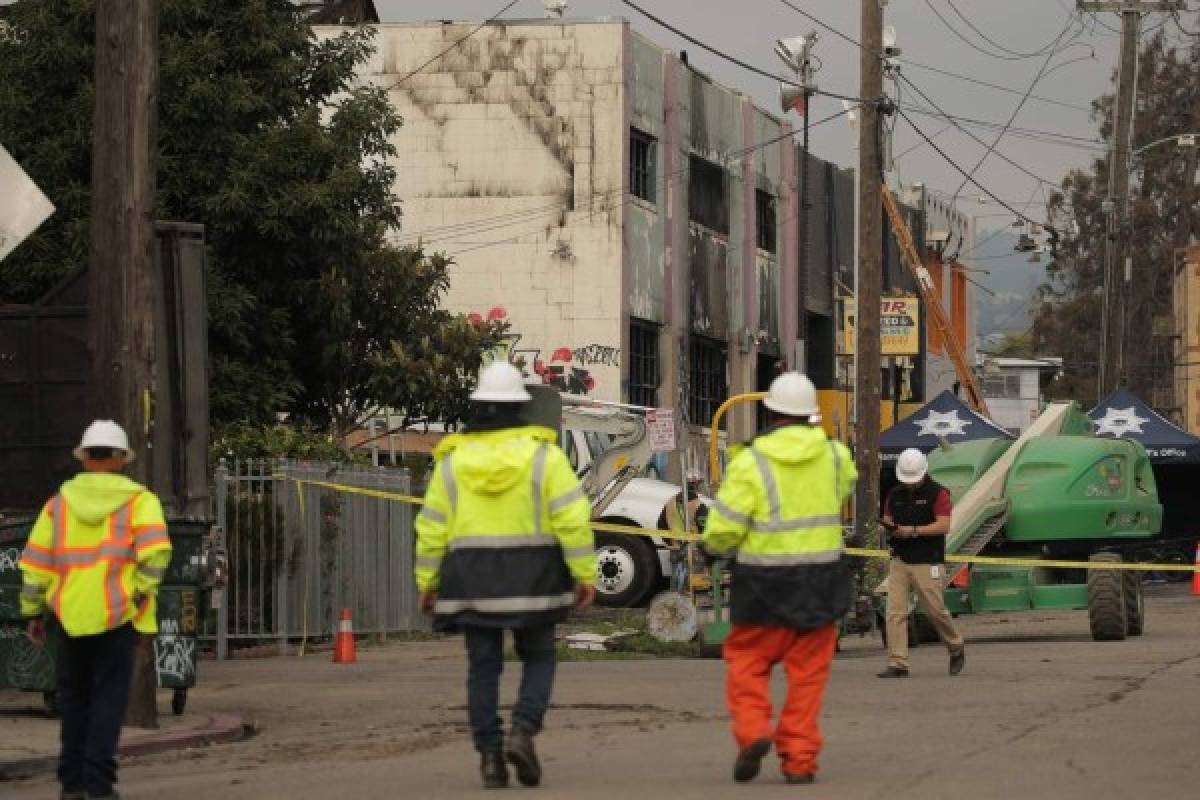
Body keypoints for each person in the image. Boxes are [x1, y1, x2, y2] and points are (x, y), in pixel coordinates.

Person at [414, 362, 597, 790]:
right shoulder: (544, 456)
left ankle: (491, 758)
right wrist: (584, 573)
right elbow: (571, 518)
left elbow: (432, 526)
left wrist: (428, 581)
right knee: (538, 656)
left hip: (469, 582)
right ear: (520, 407)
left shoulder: (452, 462)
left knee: (482, 668)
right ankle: (524, 730)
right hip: (534, 580)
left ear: (478, 406)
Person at [702, 372, 856, 785]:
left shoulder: (750, 461)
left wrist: (712, 547)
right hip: (822, 582)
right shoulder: (836, 455)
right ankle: (799, 760)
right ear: (811, 415)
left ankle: (754, 732)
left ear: (768, 411)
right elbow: (842, 488)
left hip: (762, 585)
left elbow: (725, 527)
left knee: (748, 664)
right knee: (807, 676)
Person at [19, 420, 172, 800]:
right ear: (122, 458)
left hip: (68, 618)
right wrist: (139, 595)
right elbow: (156, 556)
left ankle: (71, 784)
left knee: (74, 703)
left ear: (85, 457)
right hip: (118, 616)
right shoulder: (141, 502)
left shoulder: (57, 506)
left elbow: (35, 564)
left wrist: (33, 613)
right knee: (107, 702)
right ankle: (100, 785)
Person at [878, 447, 965, 679]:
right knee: (894, 612)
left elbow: (944, 525)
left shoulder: (938, 493)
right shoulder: (894, 494)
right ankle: (898, 662)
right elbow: (887, 519)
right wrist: (889, 528)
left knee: (936, 611)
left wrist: (913, 531)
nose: (909, 484)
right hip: (900, 559)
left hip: (928, 560)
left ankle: (956, 646)